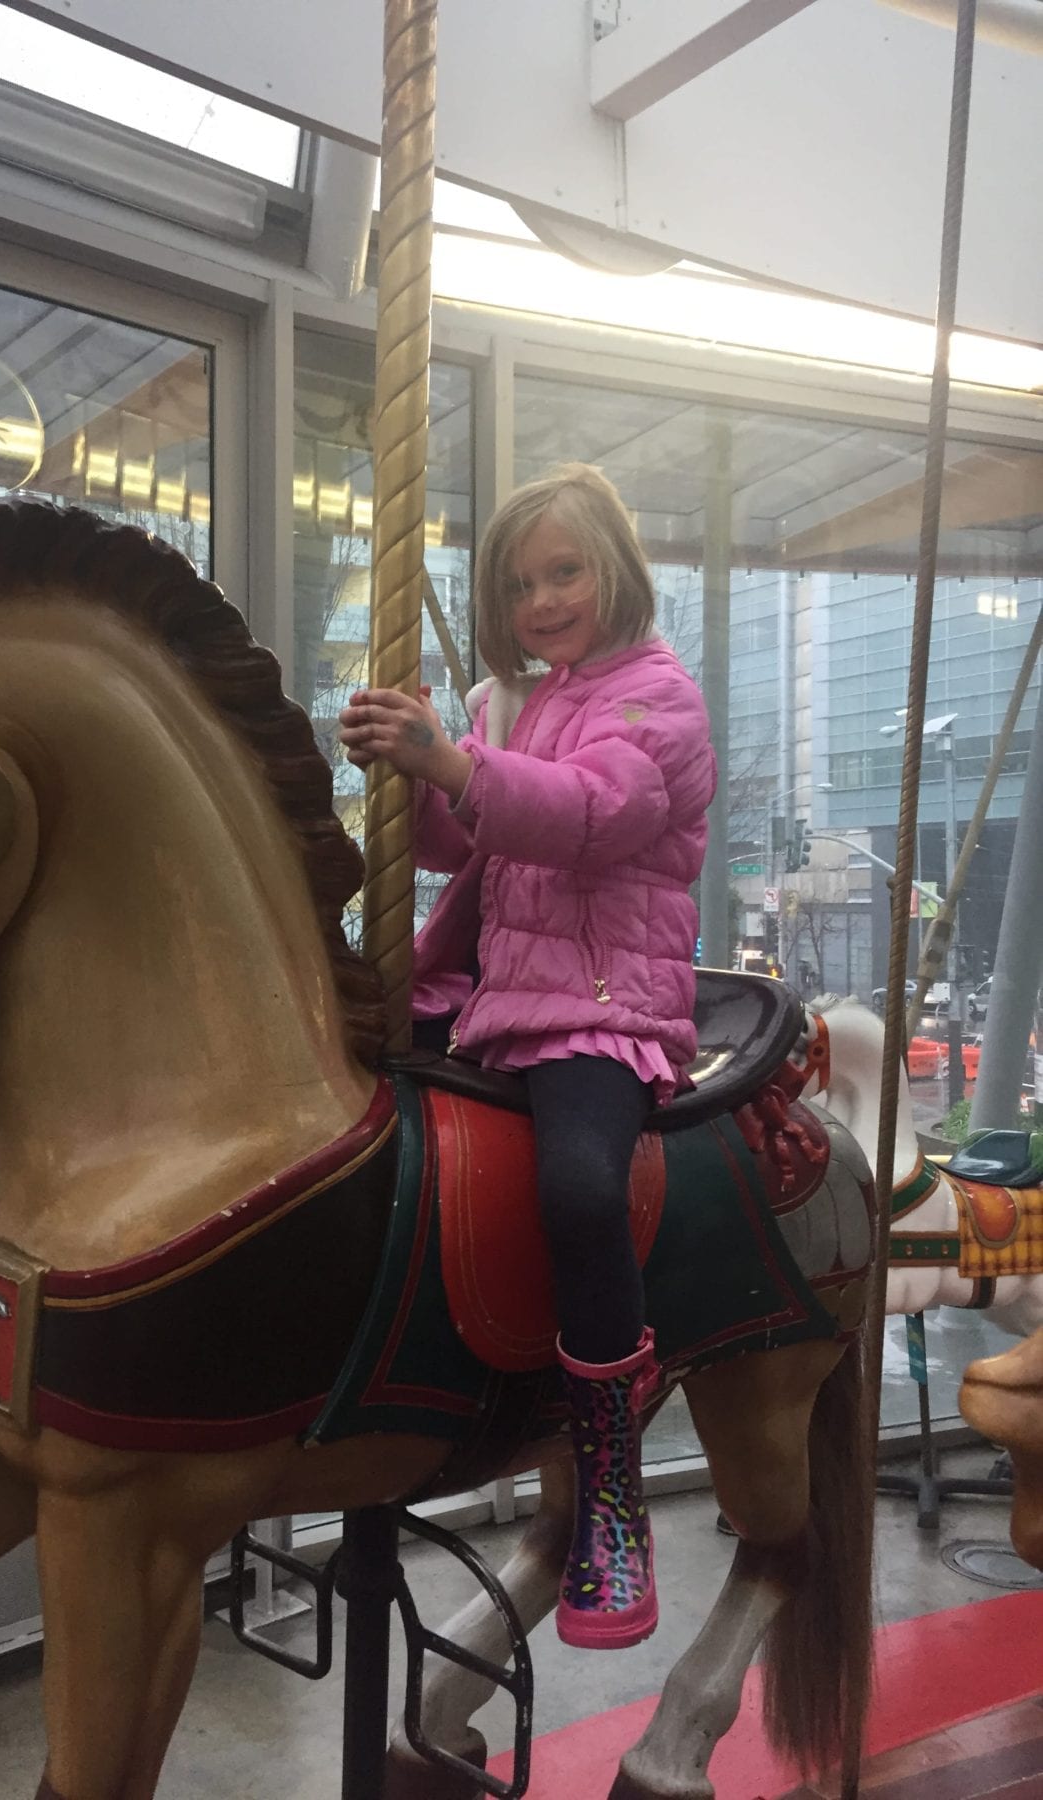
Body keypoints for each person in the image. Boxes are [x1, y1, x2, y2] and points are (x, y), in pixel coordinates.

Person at [339, 464, 715, 1649]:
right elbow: (473, 843)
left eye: (565, 572)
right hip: (505, 991)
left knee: (579, 1185)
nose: (543, 598)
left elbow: (592, 814)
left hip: (604, 1004)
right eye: (521, 581)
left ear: (616, 572)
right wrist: (421, 763)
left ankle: (612, 1493)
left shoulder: (660, 700)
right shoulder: (517, 699)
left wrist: (456, 764)